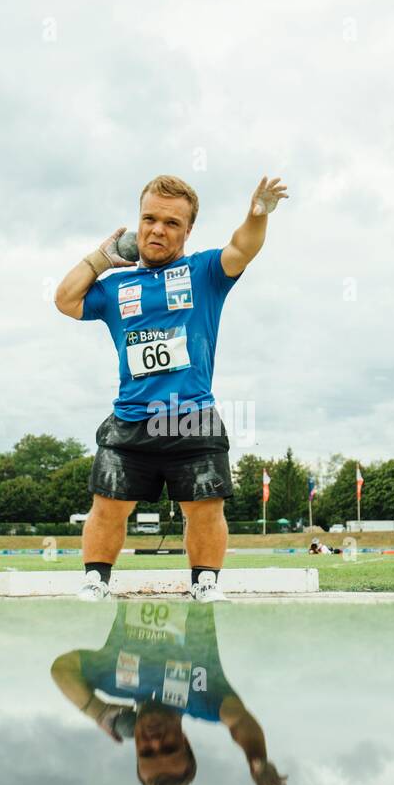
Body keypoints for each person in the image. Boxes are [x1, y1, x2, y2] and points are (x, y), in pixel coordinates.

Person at [54, 174, 289, 602]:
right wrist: (100, 259)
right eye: (149, 219)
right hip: (131, 420)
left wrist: (257, 215)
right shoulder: (116, 287)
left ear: (187, 230)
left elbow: (243, 248)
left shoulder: (204, 273)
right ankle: (96, 581)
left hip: (192, 417)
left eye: (171, 222)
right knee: (107, 506)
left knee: (204, 507)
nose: (158, 229)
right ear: (137, 222)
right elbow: (65, 300)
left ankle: (205, 583)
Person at [50, 600, 287, 785]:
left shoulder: (114, 681)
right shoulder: (204, 697)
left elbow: (62, 668)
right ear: (185, 741)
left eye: (147, 753)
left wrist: (99, 712)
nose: (154, 742)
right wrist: (258, 759)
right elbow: (238, 722)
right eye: (169, 747)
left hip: (139, 573)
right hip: (192, 573)